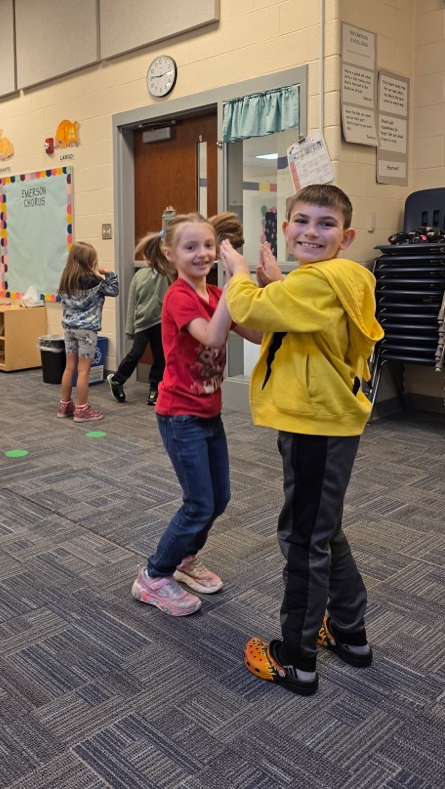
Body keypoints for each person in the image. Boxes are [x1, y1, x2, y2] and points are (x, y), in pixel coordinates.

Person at [221, 184, 383, 696]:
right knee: (323, 529)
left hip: (318, 426)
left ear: (347, 235)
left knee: (302, 537)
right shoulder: (321, 281)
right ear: (285, 227)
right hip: (319, 420)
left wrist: (241, 276)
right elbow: (275, 330)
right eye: (302, 221)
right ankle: (350, 633)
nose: (312, 231)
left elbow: (250, 309)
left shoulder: (323, 280)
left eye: (326, 223)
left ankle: (296, 657)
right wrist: (268, 287)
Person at [131, 213, 261, 616]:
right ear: (170, 254)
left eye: (208, 245)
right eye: (190, 247)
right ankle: (153, 576)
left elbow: (257, 332)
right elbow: (212, 335)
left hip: (209, 411)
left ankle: (186, 559)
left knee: (219, 497)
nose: (202, 253)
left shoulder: (217, 293)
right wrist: (238, 282)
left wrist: (263, 285)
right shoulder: (179, 296)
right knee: (199, 503)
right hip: (179, 413)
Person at [106, 231, 173, 407]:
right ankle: (118, 380)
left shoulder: (164, 272)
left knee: (160, 357)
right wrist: (130, 328)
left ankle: (154, 389)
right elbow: (132, 303)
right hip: (142, 323)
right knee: (136, 353)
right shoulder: (139, 276)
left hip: (160, 322)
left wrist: (166, 227)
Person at [57, 242, 119, 423]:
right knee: (83, 370)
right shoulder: (97, 282)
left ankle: (65, 405)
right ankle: (82, 409)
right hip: (87, 332)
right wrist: (109, 273)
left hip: (69, 330)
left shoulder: (66, 280)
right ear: (89, 261)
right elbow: (114, 290)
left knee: (69, 367)